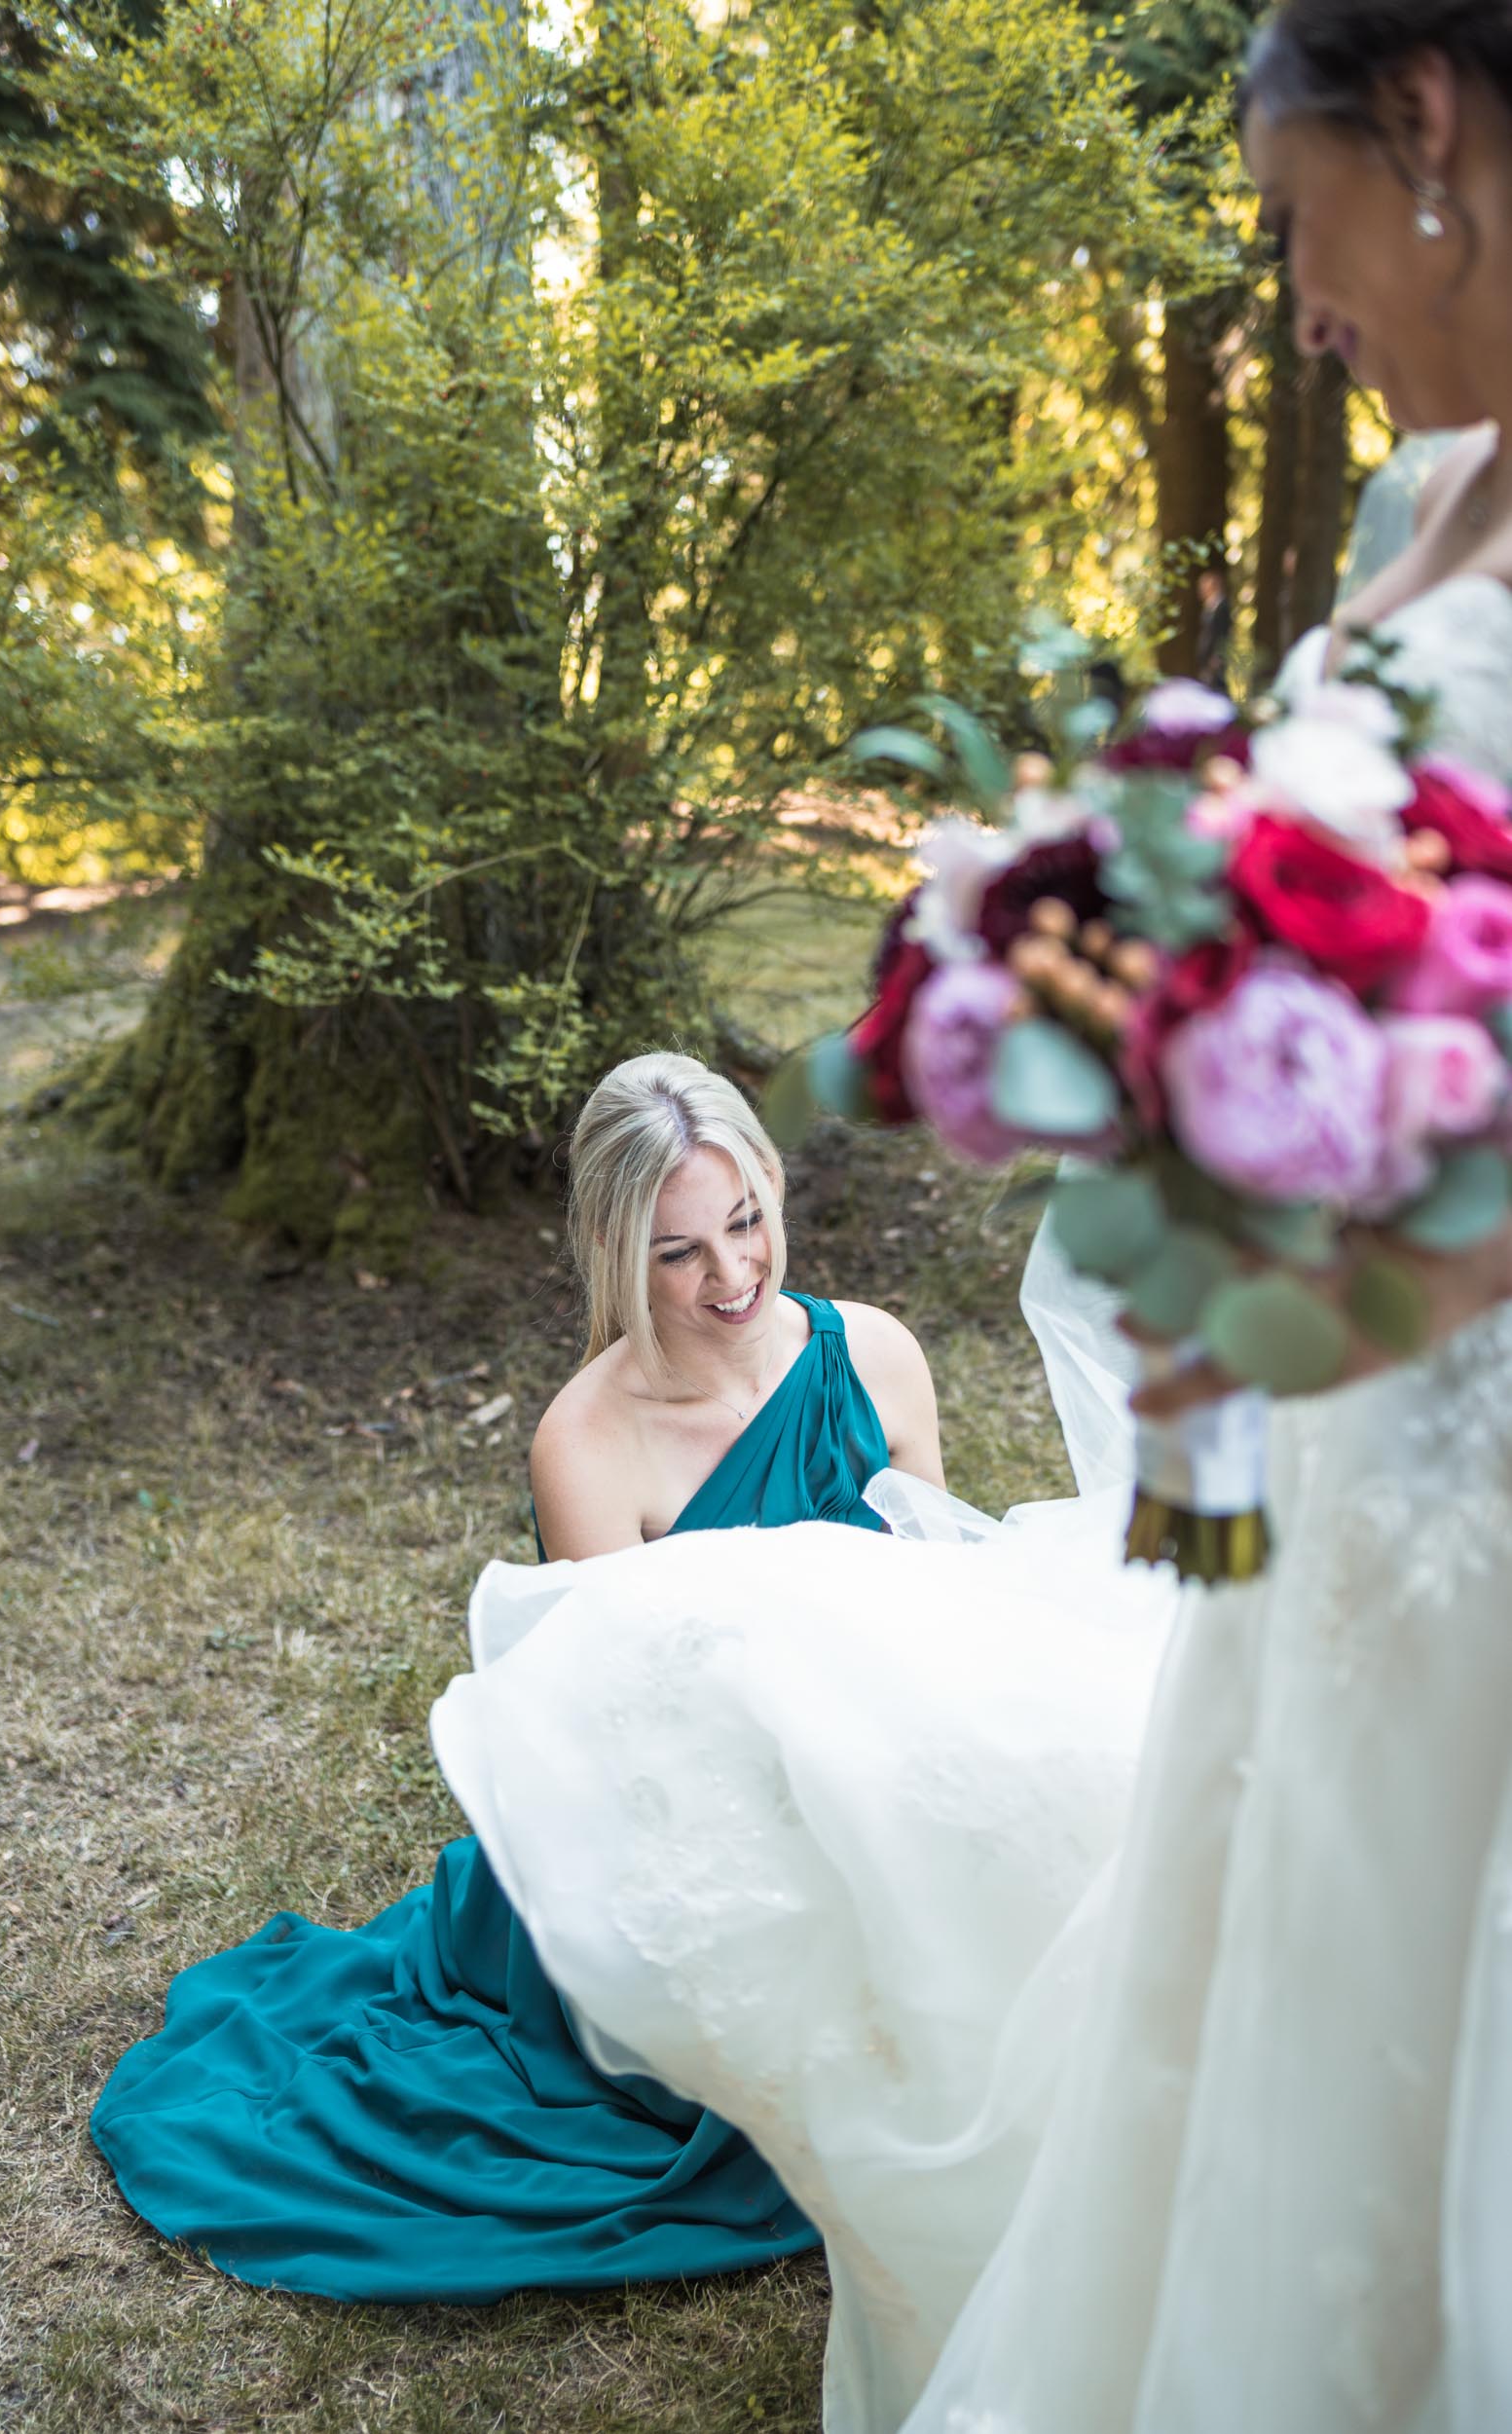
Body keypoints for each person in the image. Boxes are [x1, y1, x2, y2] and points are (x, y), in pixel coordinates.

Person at [430, 9, 1512, 2427]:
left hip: (1448, 1379)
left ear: (1420, 123)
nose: (1299, 296)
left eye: (1290, 214)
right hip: (1322, 1411)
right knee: (1265, 1972)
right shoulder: (1411, 508)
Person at [90, 1051, 945, 2304]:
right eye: (678, 1253)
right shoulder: (591, 1440)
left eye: (746, 1221)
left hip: (878, 1754)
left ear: (770, 1184)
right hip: (692, 1823)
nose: (732, 1276)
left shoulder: (872, 1352)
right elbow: (626, 1742)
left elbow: (944, 1593)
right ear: (618, 1255)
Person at [1196, 563, 1235, 694]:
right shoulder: (1209, 606)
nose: (1201, 589)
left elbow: (1224, 632)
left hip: (1216, 659)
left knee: (1218, 687)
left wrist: (1217, 655)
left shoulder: (1222, 606)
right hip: (1207, 658)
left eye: (1204, 584)